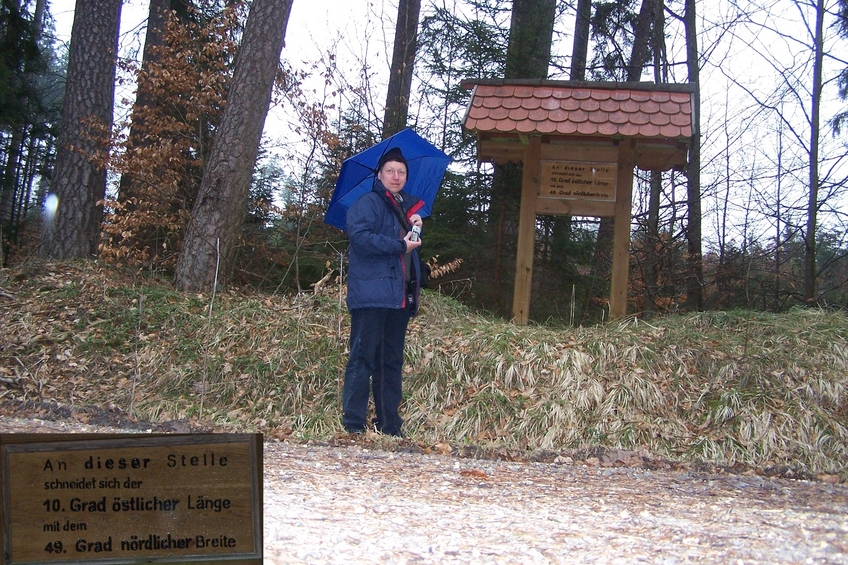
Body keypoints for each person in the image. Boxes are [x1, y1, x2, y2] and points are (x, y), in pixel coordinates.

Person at [342, 146, 424, 437]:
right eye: (390, 170)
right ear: (379, 175)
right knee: (363, 358)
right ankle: (353, 424)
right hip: (371, 296)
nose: (396, 176)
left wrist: (414, 227)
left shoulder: (405, 210)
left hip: (398, 298)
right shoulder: (368, 203)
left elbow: (407, 253)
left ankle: (389, 424)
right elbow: (361, 239)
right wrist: (400, 244)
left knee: (391, 362)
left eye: (401, 172)